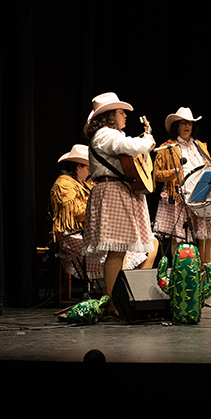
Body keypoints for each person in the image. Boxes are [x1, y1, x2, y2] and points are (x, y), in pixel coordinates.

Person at [82, 92, 157, 315]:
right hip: (112, 192)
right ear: (108, 116)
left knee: (121, 251)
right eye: (120, 111)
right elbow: (127, 146)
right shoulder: (104, 134)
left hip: (121, 191)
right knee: (116, 250)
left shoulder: (110, 134)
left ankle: (117, 297)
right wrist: (147, 142)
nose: (125, 115)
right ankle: (110, 301)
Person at [49, 145, 149, 284]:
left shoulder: (82, 183)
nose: (89, 173)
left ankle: (125, 286)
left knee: (123, 247)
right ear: (78, 167)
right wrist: (99, 210)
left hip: (84, 231)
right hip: (71, 235)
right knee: (113, 250)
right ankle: (112, 287)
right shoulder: (64, 184)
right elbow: (76, 214)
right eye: (88, 169)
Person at [153, 107, 211, 266]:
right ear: (176, 126)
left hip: (200, 195)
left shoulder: (200, 146)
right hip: (179, 197)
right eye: (183, 123)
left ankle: (206, 276)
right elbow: (156, 174)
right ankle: (181, 276)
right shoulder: (167, 147)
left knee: (205, 236)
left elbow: (209, 166)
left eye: (189, 123)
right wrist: (172, 173)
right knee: (179, 239)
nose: (187, 126)